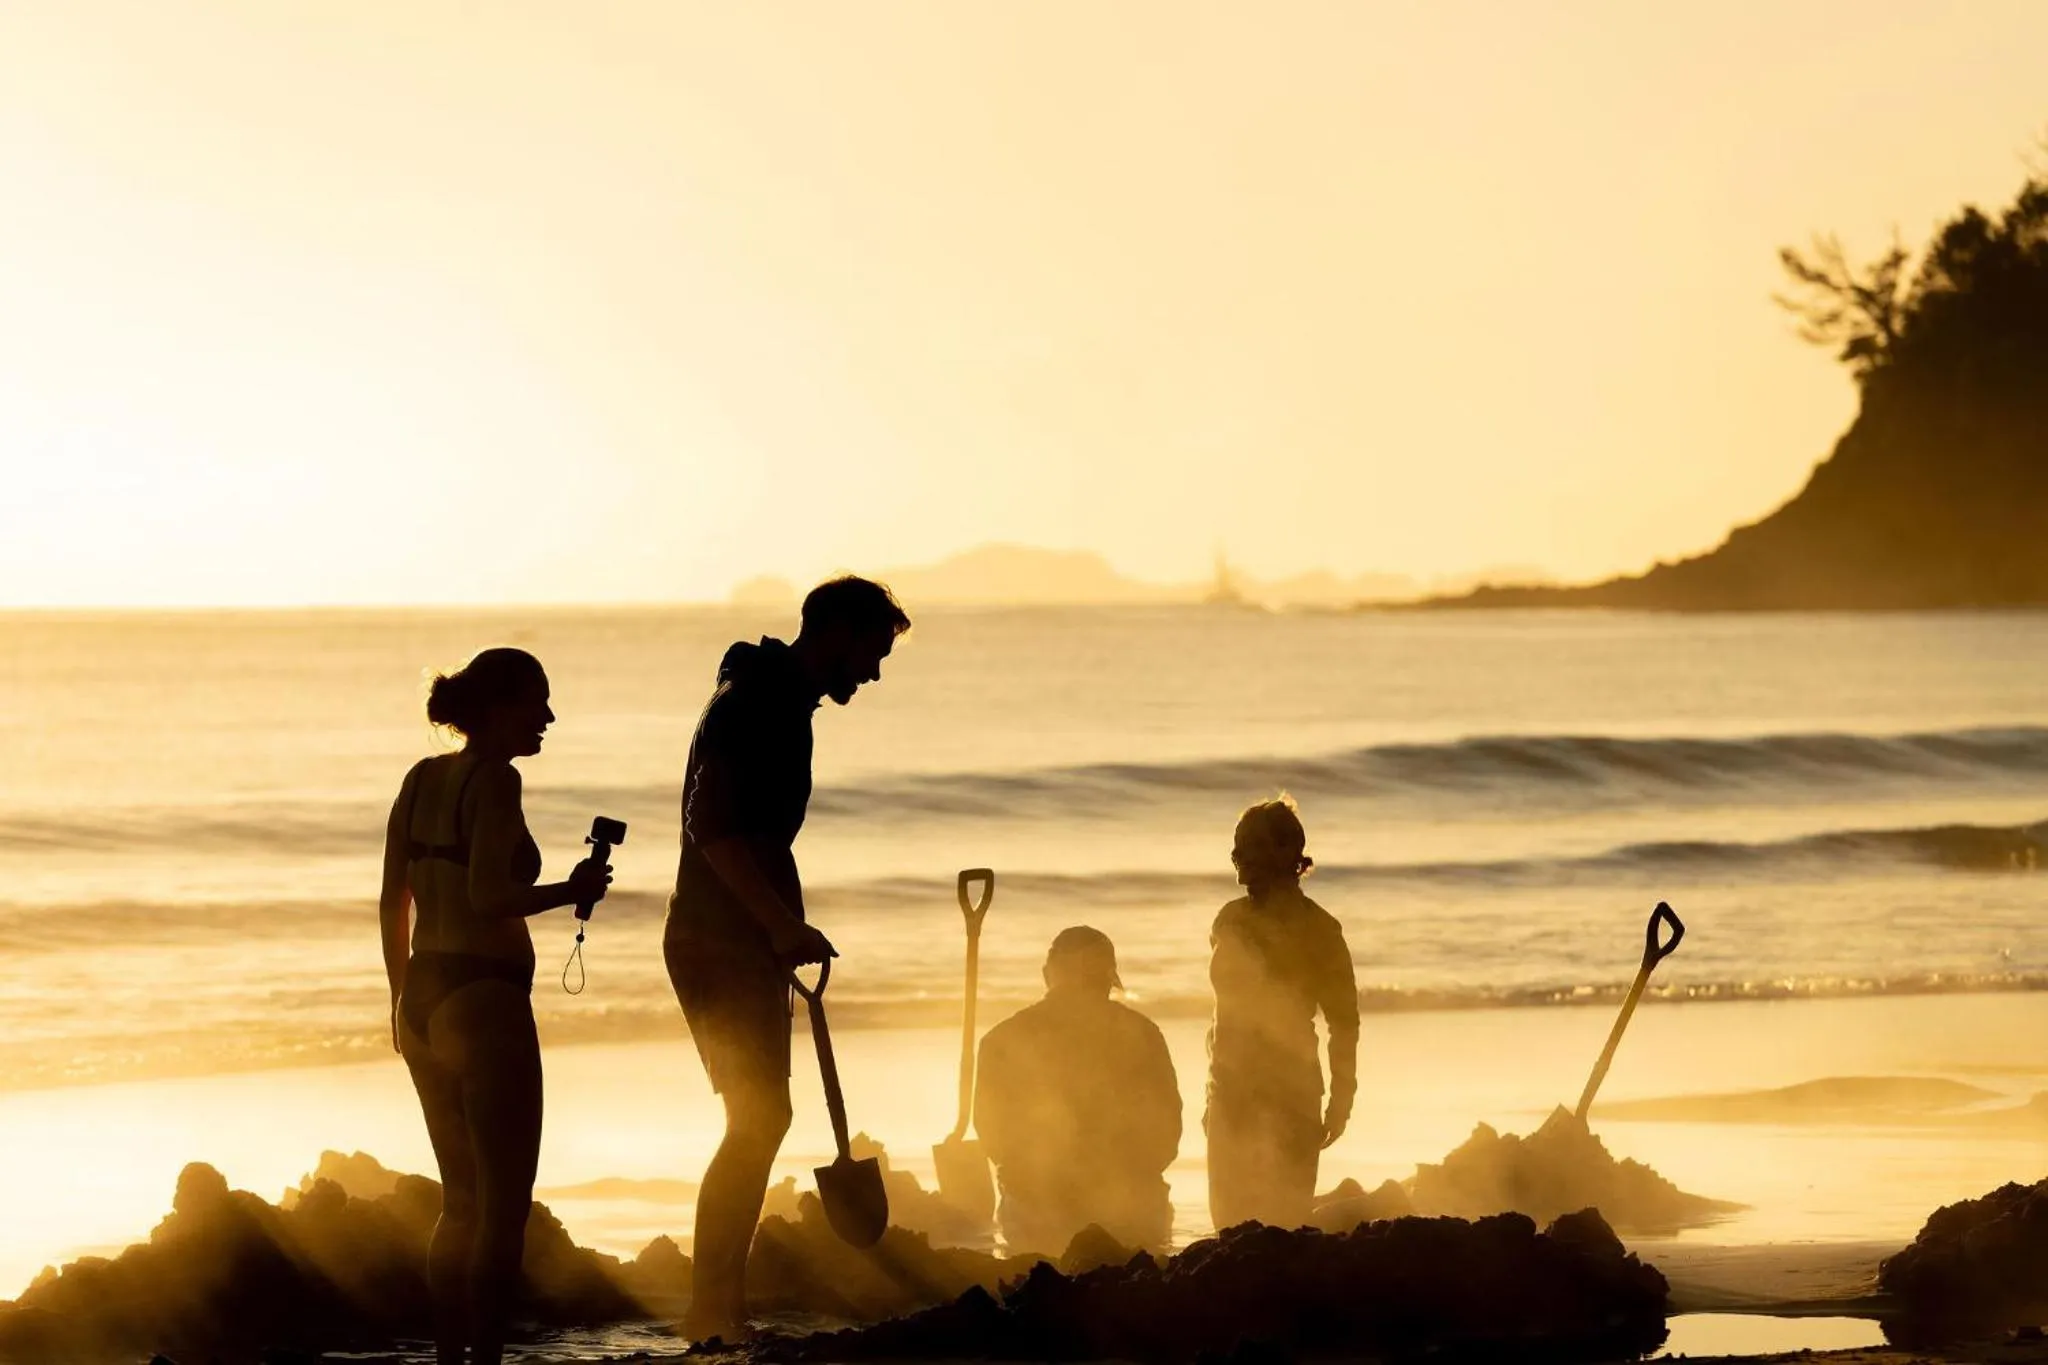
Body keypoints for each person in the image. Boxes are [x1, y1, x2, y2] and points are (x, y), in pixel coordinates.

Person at [666, 575, 911, 1343]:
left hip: (741, 938)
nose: (874, 672)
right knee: (759, 1116)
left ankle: (725, 1307)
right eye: (872, 653)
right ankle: (710, 1309)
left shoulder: (780, 702)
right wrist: (778, 925)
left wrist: (779, 927)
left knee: (761, 1117)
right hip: (719, 940)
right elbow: (712, 830)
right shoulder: (754, 704)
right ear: (835, 632)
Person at [378, 647, 613, 1365]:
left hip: (424, 995)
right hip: (486, 999)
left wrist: (399, 999)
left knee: (460, 1202)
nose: (549, 717)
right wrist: (572, 891)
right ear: (498, 707)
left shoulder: (420, 778)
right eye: (537, 702)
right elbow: (489, 897)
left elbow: (393, 900)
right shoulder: (498, 780)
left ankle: (450, 1359)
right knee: (504, 1208)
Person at [974, 926, 1182, 1255]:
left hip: (1036, 1214)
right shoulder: (1144, 1034)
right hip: (1129, 1213)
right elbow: (1167, 1133)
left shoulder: (1000, 1039)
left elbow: (993, 1137)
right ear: (1108, 980)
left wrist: (1038, 1181)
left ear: (1047, 975)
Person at [1204, 796, 1359, 1231]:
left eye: (1251, 844)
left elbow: (1344, 1022)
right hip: (1230, 1093)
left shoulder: (1320, 930)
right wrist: (1210, 1093)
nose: (1237, 853)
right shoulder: (1229, 920)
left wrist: (1342, 1099)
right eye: (1237, 844)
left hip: (1292, 1093)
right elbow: (1221, 1015)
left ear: (1288, 853)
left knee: (1284, 1227)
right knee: (1227, 1230)